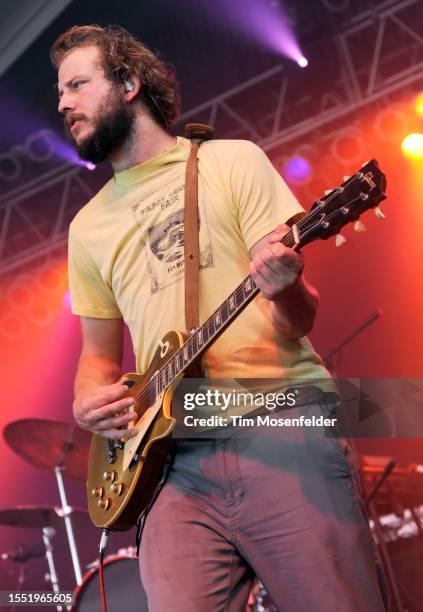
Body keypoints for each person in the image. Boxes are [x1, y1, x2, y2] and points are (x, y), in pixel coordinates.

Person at [52, 25, 387, 611]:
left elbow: (299, 318)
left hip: (278, 420)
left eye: (78, 84)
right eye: (61, 92)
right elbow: (98, 356)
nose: (63, 103)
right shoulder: (86, 227)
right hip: (171, 458)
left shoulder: (231, 162)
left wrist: (283, 289)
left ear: (129, 83)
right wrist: (86, 400)